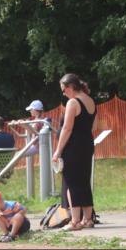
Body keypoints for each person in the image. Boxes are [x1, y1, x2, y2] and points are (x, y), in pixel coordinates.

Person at [52, 73, 97, 230]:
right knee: (84, 181)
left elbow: (67, 128)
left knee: (72, 183)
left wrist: (58, 150)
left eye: (64, 89)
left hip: (73, 146)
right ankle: (88, 219)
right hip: (87, 144)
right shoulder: (90, 101)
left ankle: (75, 221)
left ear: (71, 87)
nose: (63, 93)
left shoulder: (73, 102)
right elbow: (93, 126)